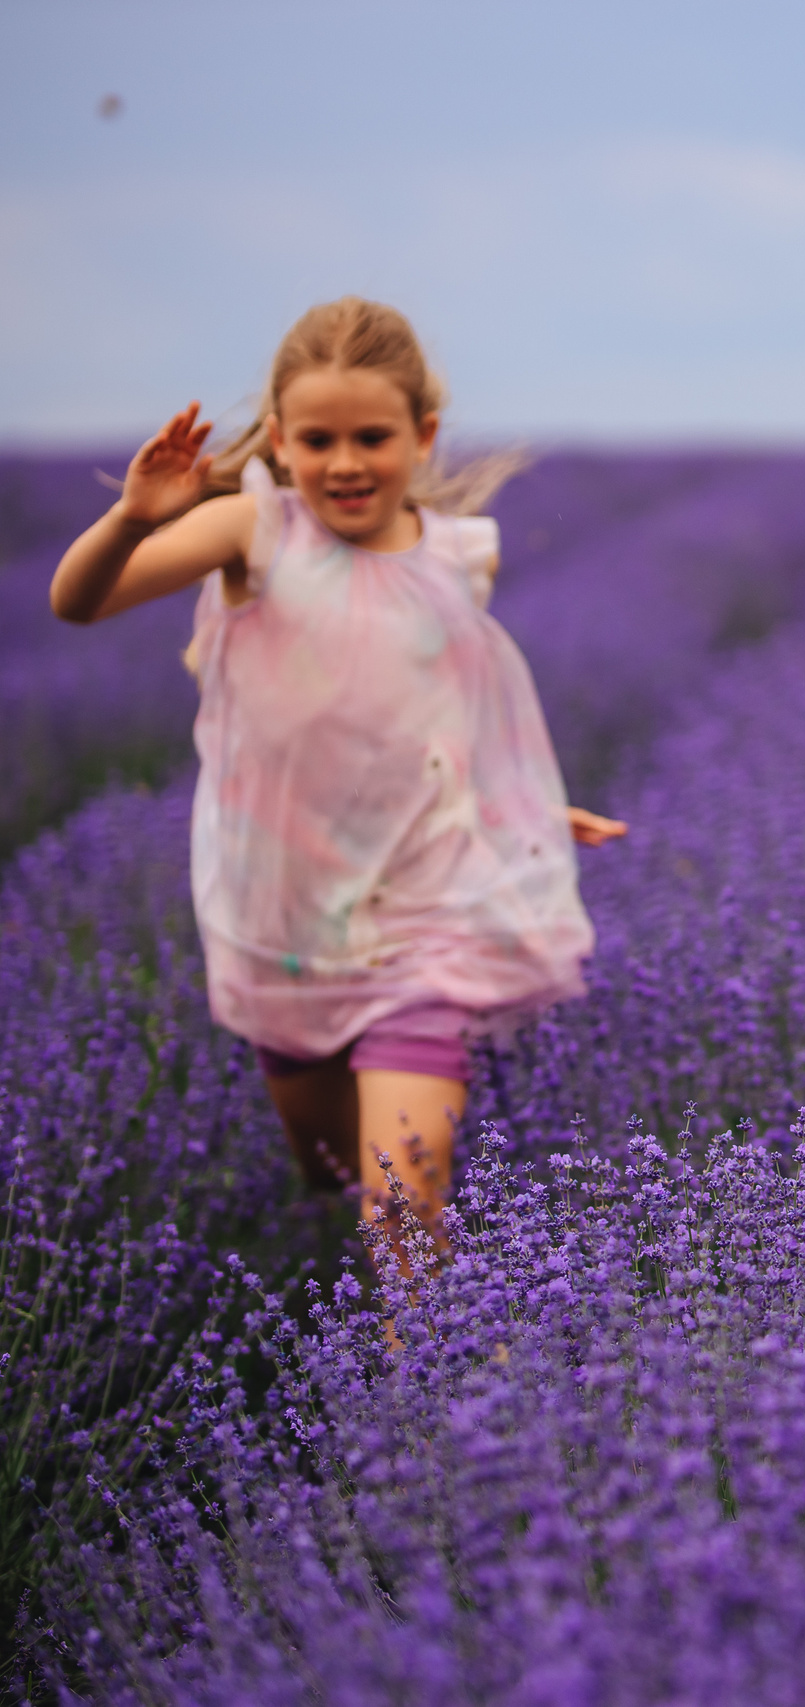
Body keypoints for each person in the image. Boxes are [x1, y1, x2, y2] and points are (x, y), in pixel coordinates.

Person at [49, 297, 623, 1254]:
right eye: (318, 439)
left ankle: (418, 1392)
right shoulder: (253, 532)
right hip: (290, 911)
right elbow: (80, 602)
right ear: (278, 439)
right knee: (330, 1163)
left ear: (422, 436)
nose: (346, 461)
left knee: (402, 1205)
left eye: (372, 436)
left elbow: (446, 722)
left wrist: (530, 808)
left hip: (428, 905)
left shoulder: (455, 558)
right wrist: (130, 519)